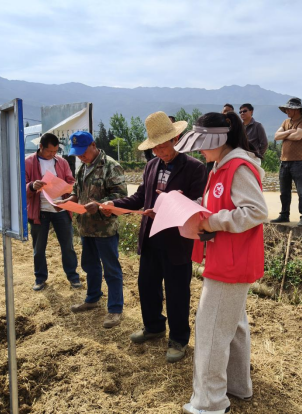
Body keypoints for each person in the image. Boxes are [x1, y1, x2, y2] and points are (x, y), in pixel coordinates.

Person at [174, 112, 268, 414]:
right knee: (233, 325)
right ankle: (238, 386)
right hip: (227, 259)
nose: (200, 150)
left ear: (221, 140)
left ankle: (210, 403)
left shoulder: (238, 168)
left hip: (231, 263)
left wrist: (213, 222)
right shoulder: (218, 167)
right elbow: (218, 204)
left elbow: (255, 211)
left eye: (203, 144)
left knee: (211, 329)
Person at [104, 111, 207, 363]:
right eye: (156, 149)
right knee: (147, 286)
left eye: (164, 147)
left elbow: (198, 204)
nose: (160, 152)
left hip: (177, 241)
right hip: (151, 237)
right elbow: (140, 197)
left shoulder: (195, 168)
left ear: (176, 139)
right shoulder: (151, 166)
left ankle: (179, 338)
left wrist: (174, 203)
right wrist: (115, 203)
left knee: (177, 291)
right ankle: (153, 327)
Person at [63, 131, 127, 328]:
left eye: (83, 152)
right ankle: (92, 298)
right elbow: (77, 191)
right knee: (90, 266)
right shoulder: (82, 167)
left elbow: (120, 195)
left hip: (104, 229)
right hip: (86, 227)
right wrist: (66, 202)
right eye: (77, 153)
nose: (81, 156)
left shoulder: (110, 166)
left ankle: (115, 309)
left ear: (93, 145)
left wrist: (99, 205)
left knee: (111, 269)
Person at [25, 132, 81, 292]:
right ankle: (40, 278)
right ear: (40, 147)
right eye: (49, 151)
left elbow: (72, 181)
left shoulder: (61, 162)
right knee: (38, 248)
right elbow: (22, 186)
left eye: (55, 151)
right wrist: (31, 186)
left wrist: (64, 186)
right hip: (39, 210)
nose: (52, 154)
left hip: (60, 208)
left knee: (68, 246)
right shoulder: (28, 162)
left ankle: (73, 276)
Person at [271, 97, 302, 227]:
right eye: (286, 109)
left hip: (298, 162)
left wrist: (285, 134)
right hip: (284, 162)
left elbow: (298, 136)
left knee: (301, 191)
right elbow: (276, 136)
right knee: (284, 191)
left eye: (289, 109)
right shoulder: (286, 122)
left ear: (296, 110)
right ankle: (284, 214)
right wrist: (289, 131)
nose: (287, 111)